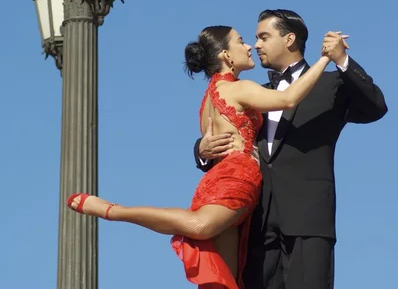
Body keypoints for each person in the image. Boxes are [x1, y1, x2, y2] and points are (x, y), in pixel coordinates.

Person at [67, 25, 333, 289]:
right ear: (226, 56)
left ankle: (116, 212)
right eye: (240, 42)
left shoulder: (207, 99)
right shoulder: (238, 89)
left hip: (215, 181)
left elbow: (211, 146)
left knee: (226, 281)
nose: (249, 46)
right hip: (237, 180)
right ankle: (115, 211)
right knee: (199, 225)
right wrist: (325, 59)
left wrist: (204, 150)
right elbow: (288, 99)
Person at [195, 10, 387, 289]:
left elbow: (376, 107)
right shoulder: (254, 93)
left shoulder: (330, 84)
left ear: (289, 39)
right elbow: (226, 133)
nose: (256, 44)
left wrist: (342, 61)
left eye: (264, 37)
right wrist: (201, 149)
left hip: (309, 220)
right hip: (258, 223)